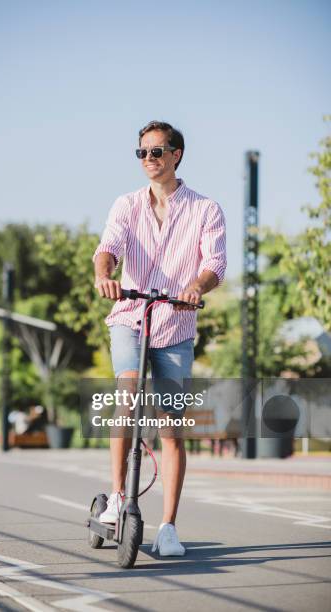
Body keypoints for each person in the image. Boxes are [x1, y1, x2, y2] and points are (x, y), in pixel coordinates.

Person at [93, 120, 226, 556]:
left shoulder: (206, 210)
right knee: (127, 393)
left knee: (170, 428)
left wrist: (195, 289)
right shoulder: (127, 205)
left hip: (176, 325)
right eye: (142, 153)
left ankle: (168, 526)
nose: (149, 159)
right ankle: (116, 497)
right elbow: (108, 248)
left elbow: (214, 264)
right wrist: (104, 276)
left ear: (177, 155)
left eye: (157, 151)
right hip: (130, 315)